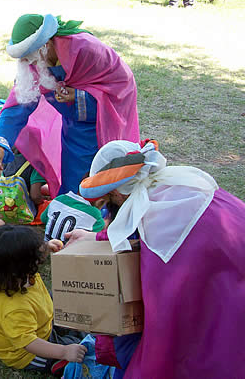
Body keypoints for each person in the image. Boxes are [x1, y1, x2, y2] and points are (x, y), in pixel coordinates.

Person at [68, 139, 245, 378]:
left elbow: (134, 242)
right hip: (233, 264)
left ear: (118, 192)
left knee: (192, 340)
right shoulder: (174, 183)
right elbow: (129, 231)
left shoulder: (147, 213)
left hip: (211, 283)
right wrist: (94, 237)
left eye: (109, 198)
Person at [0, 14, 139, 198]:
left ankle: (97, 217)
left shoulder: (87, 49)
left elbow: (121, 87)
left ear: (46, 45)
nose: (29, 64)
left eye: (30, 58)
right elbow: (17, 105)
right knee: (72, 175)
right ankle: (72, 210)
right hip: (73, 128)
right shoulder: (37, 61)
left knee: (99, 175)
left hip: (102, 124)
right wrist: (0, 144)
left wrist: (80, 95)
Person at [0, 225, 86, 374]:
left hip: (42, 320)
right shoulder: (15, 309)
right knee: (82, 350)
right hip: (27, 353)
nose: (39, 259)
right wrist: (64, 351)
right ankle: (57, 363)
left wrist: (47, 247)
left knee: (79, 327)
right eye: (35, 256)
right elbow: (29, 343)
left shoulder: (16, 276)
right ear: (22, 266)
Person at [41, 188, 105, 243]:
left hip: (47, 248)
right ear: (101, 201)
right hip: (70, 253)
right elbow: (99, 235)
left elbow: (43, 218)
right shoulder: (95, 214)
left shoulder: (58, 199)